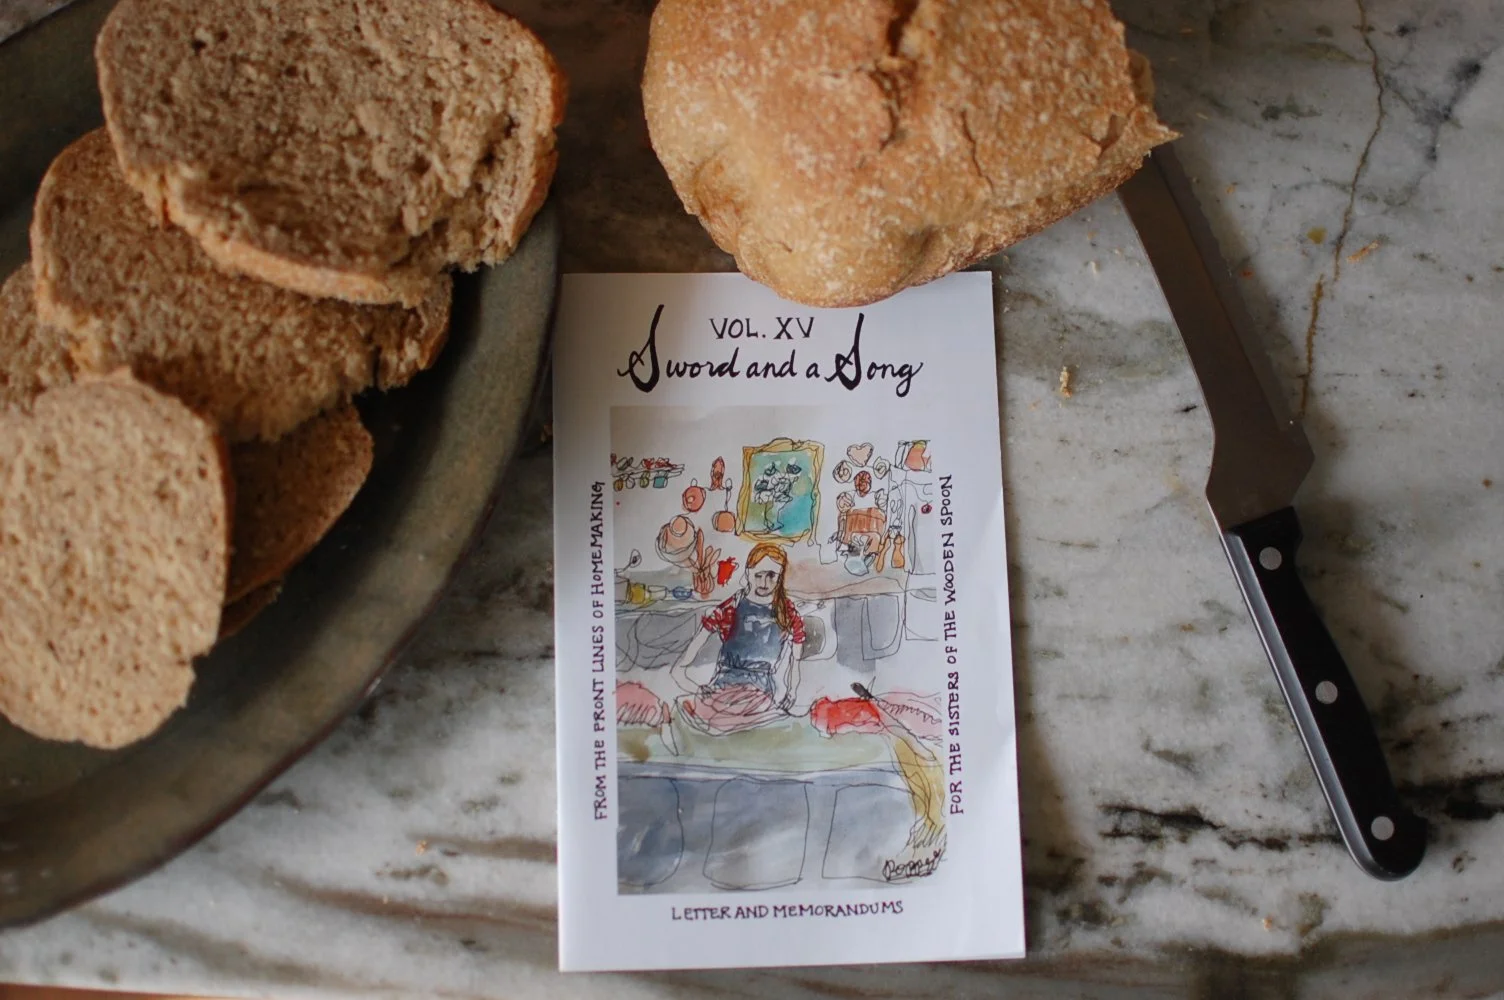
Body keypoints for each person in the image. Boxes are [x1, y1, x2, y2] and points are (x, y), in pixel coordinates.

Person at [670, 542, 804, 735]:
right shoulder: (731, 607)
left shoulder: (788, 612)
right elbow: (680, 667)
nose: (764, 583)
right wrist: (695, 687)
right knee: (712, 722)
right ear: (748, 572)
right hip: (723, 685)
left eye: (772, 576)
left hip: (761, 692)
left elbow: (795, 659)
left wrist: (791, 693)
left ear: (780, 576)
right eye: (758, 575)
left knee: (734, 726)